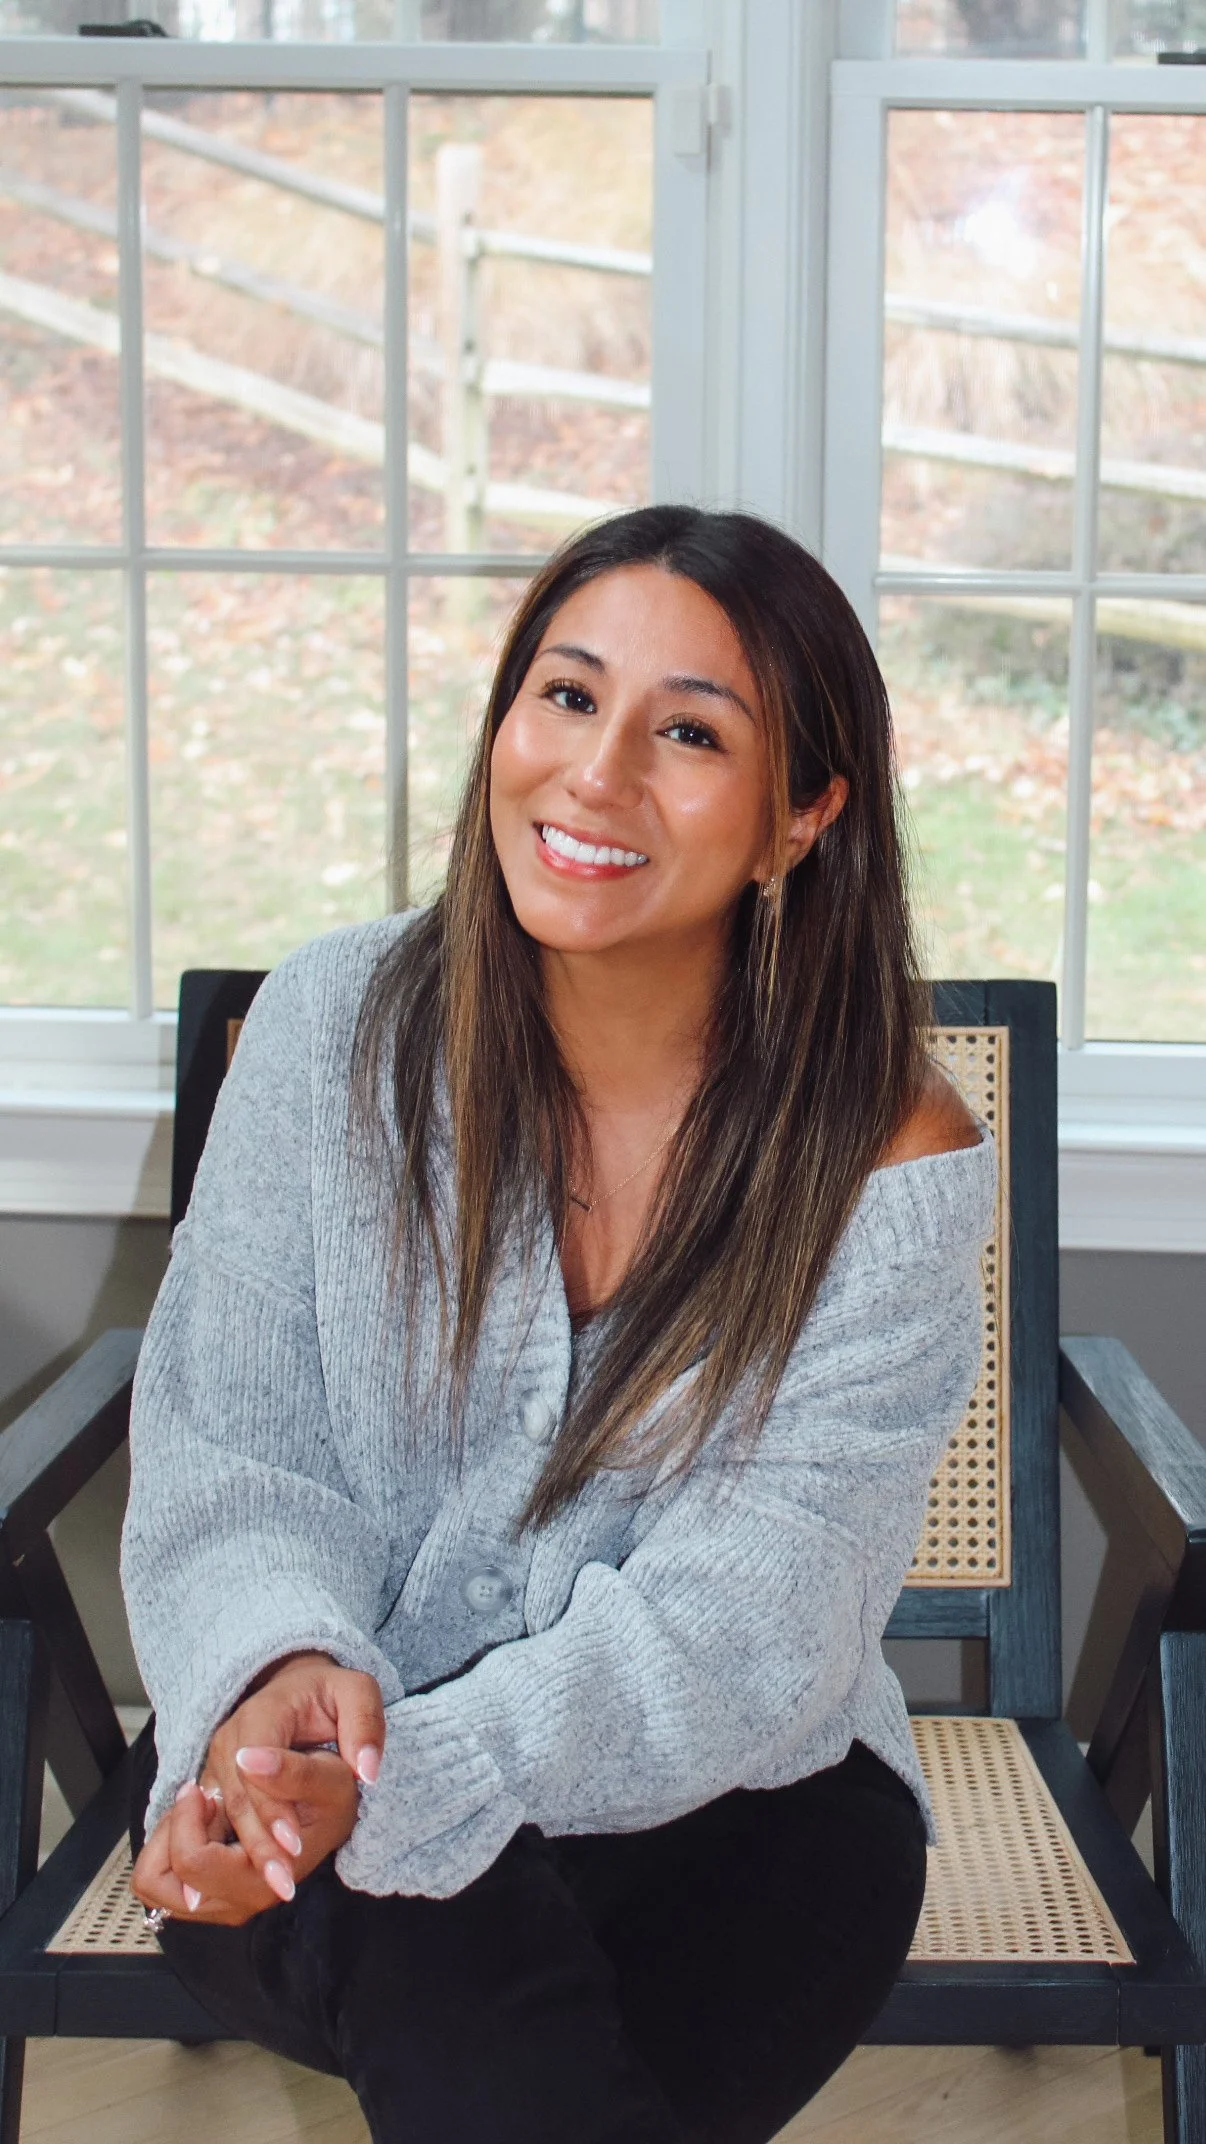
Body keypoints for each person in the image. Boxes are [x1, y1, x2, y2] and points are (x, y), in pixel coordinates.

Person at [123, 504, 994, 2144]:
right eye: (567, 696)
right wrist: (284, 1688)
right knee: (444, 1940)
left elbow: (756, 1619)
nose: (594, 777)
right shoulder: (327, 1030)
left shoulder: (884, 1155)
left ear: (800, 816)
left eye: (689, 733)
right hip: (310, 1742)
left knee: (449, 1944)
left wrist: (408, 1778)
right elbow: (233, 1451)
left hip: (749, 1801)